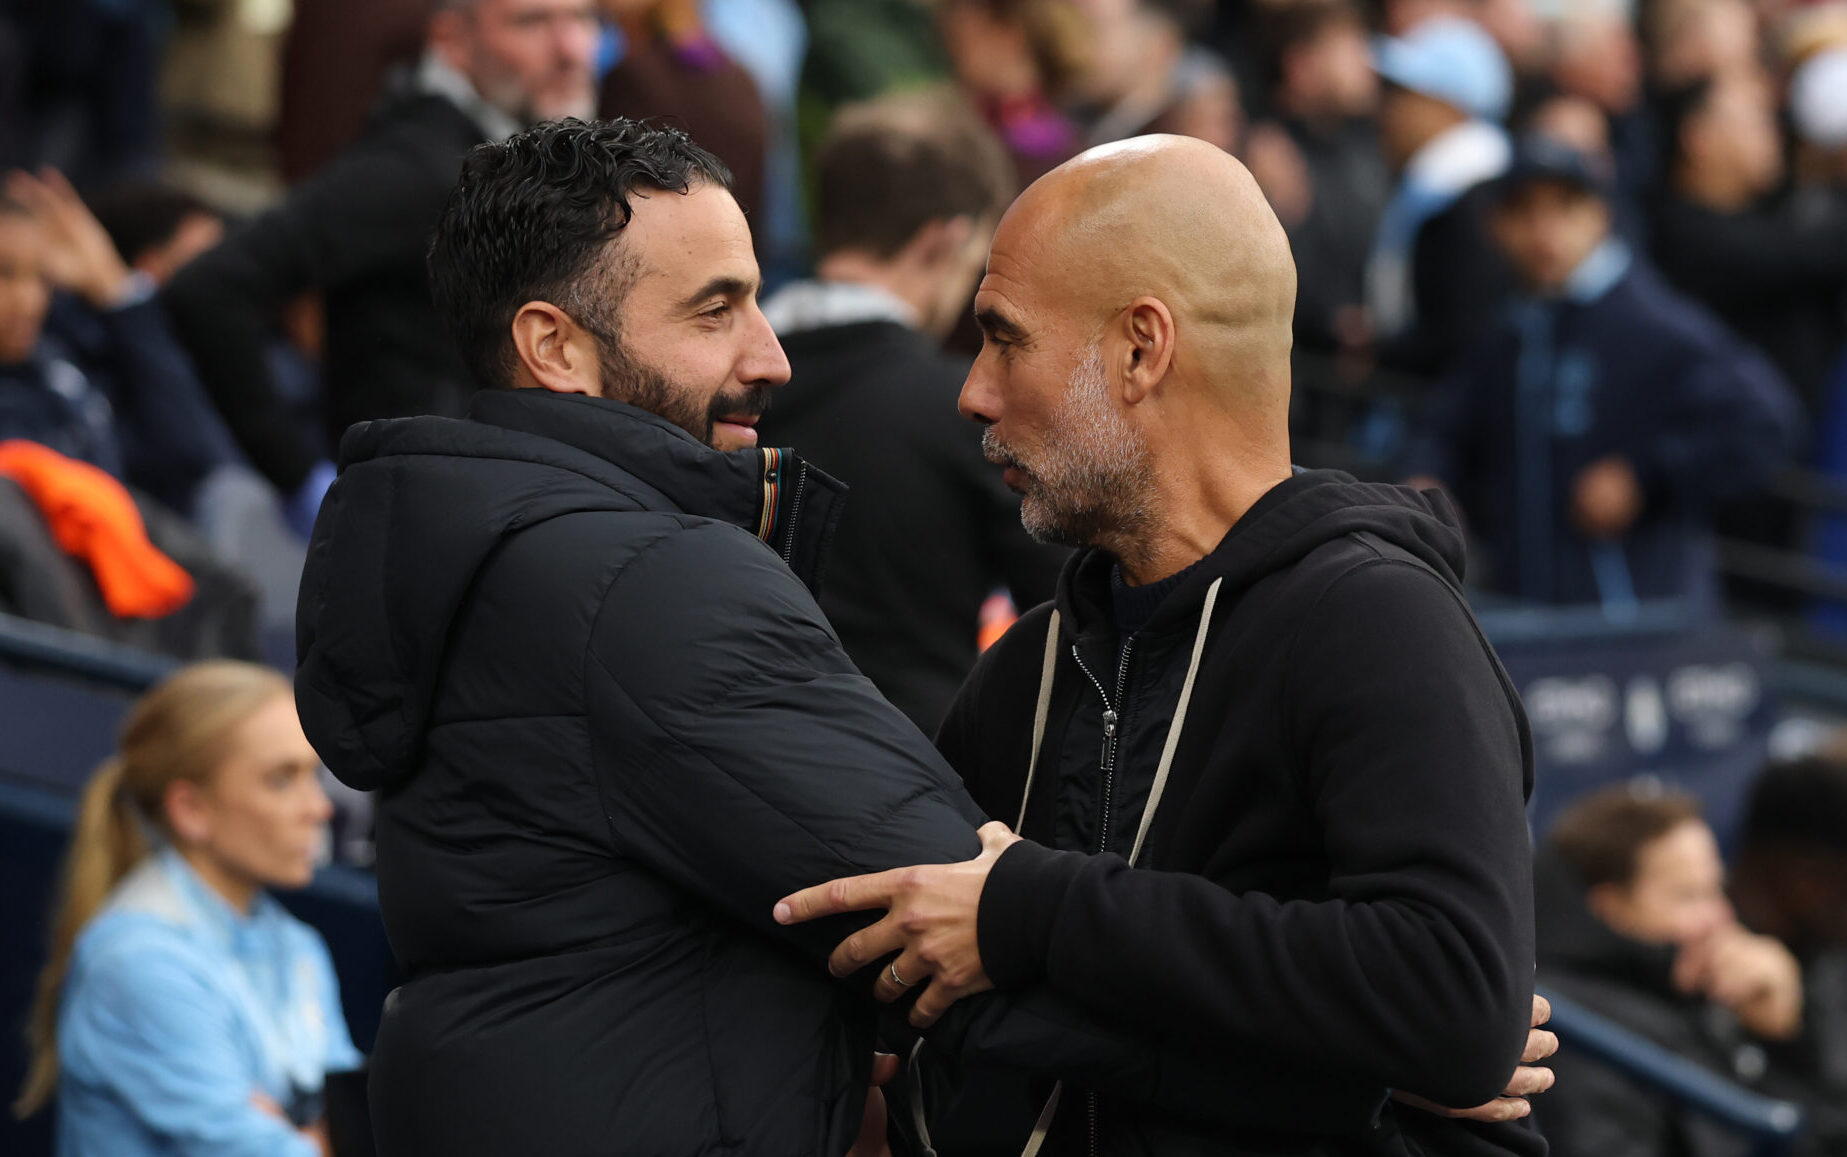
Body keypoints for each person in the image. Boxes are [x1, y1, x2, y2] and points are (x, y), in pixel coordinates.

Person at [776, 135, 1550, 1155]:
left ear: (1141, 348)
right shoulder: (1028, 669)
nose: (970, 391)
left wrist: (1034, 916)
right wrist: (1348, 1077)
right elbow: (922, 997)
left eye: (1003, 338)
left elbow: (1449, 999)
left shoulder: (1376, 620)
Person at [162, 0, 600, 537]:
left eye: (584, 19)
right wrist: (299, 476)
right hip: (419, 525)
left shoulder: (501, 156)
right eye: (531, 22)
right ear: (451, 40)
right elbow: (209, 289)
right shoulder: (417, 167)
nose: (571, 49)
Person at [756, 92, 1065, 735]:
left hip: (729, 760)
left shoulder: (726, 390)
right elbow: (1069, 612)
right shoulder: (964, 409)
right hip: (917, 768)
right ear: (946, 239)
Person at [1404, 135, 1800, 611]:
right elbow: (1446, 424)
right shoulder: (1511, 330)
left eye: (1567, 207)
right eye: (1525, 211)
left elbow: (1767, 421)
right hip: (1530, 615)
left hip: (1638, 623)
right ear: (1497, 226)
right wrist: (1428, 476)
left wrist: (1644, 478)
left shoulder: (1654, 323)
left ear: (1602, 216)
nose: (1545, 231)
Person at [13, 661, 359, 1156]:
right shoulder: (138, 961)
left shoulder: (297, 946)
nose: (319, 808)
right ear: (191, 810)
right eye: (282, 779)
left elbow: (358, 1118)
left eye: (313, 774)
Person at [1534, 785, 1809, 1157]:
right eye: (1689, 896)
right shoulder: (1572, 1033)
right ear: (1609, 906)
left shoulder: (1703, 994)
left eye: (1717, 890)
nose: (1720, 917)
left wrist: (1781, 1038)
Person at [0, 172, 235, 516]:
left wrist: (117, 294)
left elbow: (199, 459)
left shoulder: (62, 364)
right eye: (5, 273)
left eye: (41, 276)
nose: (31, 300)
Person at [1650, 68, 1847, 412]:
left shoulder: (1769, 211)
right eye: (1756, 124)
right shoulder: (1682, 234)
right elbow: (1803, 254)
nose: (1774, 137)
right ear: (1699, 138)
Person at [1366, 15, 1517, 378]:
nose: (1387, 112)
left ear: (1452, 105)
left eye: (1404, 95)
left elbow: (1462, 340)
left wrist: (1381, 354)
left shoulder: (1470, 203)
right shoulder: (1445, 192)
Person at [1244, 0, 1390, 356]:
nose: (1368, 64)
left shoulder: (1366, 145)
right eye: (1350, 49)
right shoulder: (1259, 154)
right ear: (1301, 66)